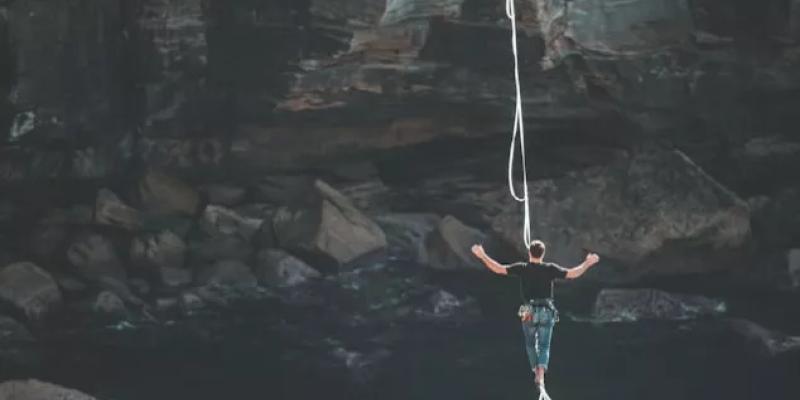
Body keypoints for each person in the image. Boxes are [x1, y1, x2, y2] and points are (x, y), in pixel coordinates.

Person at [471, 240, 599, 391]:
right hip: (546, 310)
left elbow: (498, 269)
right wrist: (588, 263)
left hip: (528, 310)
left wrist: (482, 255)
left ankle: (535, 370)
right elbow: (573, 273)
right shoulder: (550, 269)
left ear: (529, 252)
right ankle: (541, 374)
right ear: (543, 254)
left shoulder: (522, 268)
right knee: (544, 346)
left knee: (531, 343)